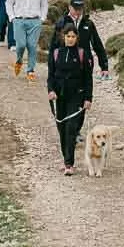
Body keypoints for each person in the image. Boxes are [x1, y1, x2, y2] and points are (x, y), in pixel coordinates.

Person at [47, 23, 93, 173]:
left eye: (73, 36)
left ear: (77, 38)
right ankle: (66, 159)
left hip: (77, 96)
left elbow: (88, 78)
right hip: (60, 96)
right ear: (63, 37)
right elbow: (51, 75)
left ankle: (69, 164)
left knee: (71, 128)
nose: (71, 39)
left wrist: (88, 98)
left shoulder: (82, 54)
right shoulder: (55, 53)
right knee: (61, 128)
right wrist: (51, 90)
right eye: (68, 36)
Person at [49, 0, 109, 103]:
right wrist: (51, 65)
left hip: (84, 62)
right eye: (75, 9)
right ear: (69, 7)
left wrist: (104, 66)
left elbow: (97, 44)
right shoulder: (61, 23)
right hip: (65, 63)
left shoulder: (88, 24)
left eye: (80, 9)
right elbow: (54, 46)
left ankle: (82, 104)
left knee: (84, 88)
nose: (78, 11)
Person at [6, 0, 48, 80]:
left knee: (32, 46)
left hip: (35, 21)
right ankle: (19, 61)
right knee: (20, 45)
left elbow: (44, 4)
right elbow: (9, 3)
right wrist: (12, 17)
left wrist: (42, 18)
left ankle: (30, 70)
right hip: (19, 20)